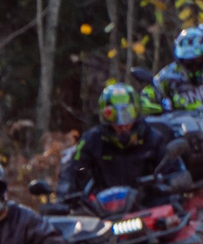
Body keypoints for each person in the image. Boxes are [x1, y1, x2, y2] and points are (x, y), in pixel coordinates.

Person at [60, 81, 192, 201]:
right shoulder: (91, 140)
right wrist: (65, 192)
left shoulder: (153, 138)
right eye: (111, 115)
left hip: (148, 207)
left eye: (128, 113)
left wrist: (174, 181)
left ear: (136, 112)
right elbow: (74, 170)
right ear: (103, 116)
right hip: (102, 211)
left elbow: (173, 170)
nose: (122, 124)